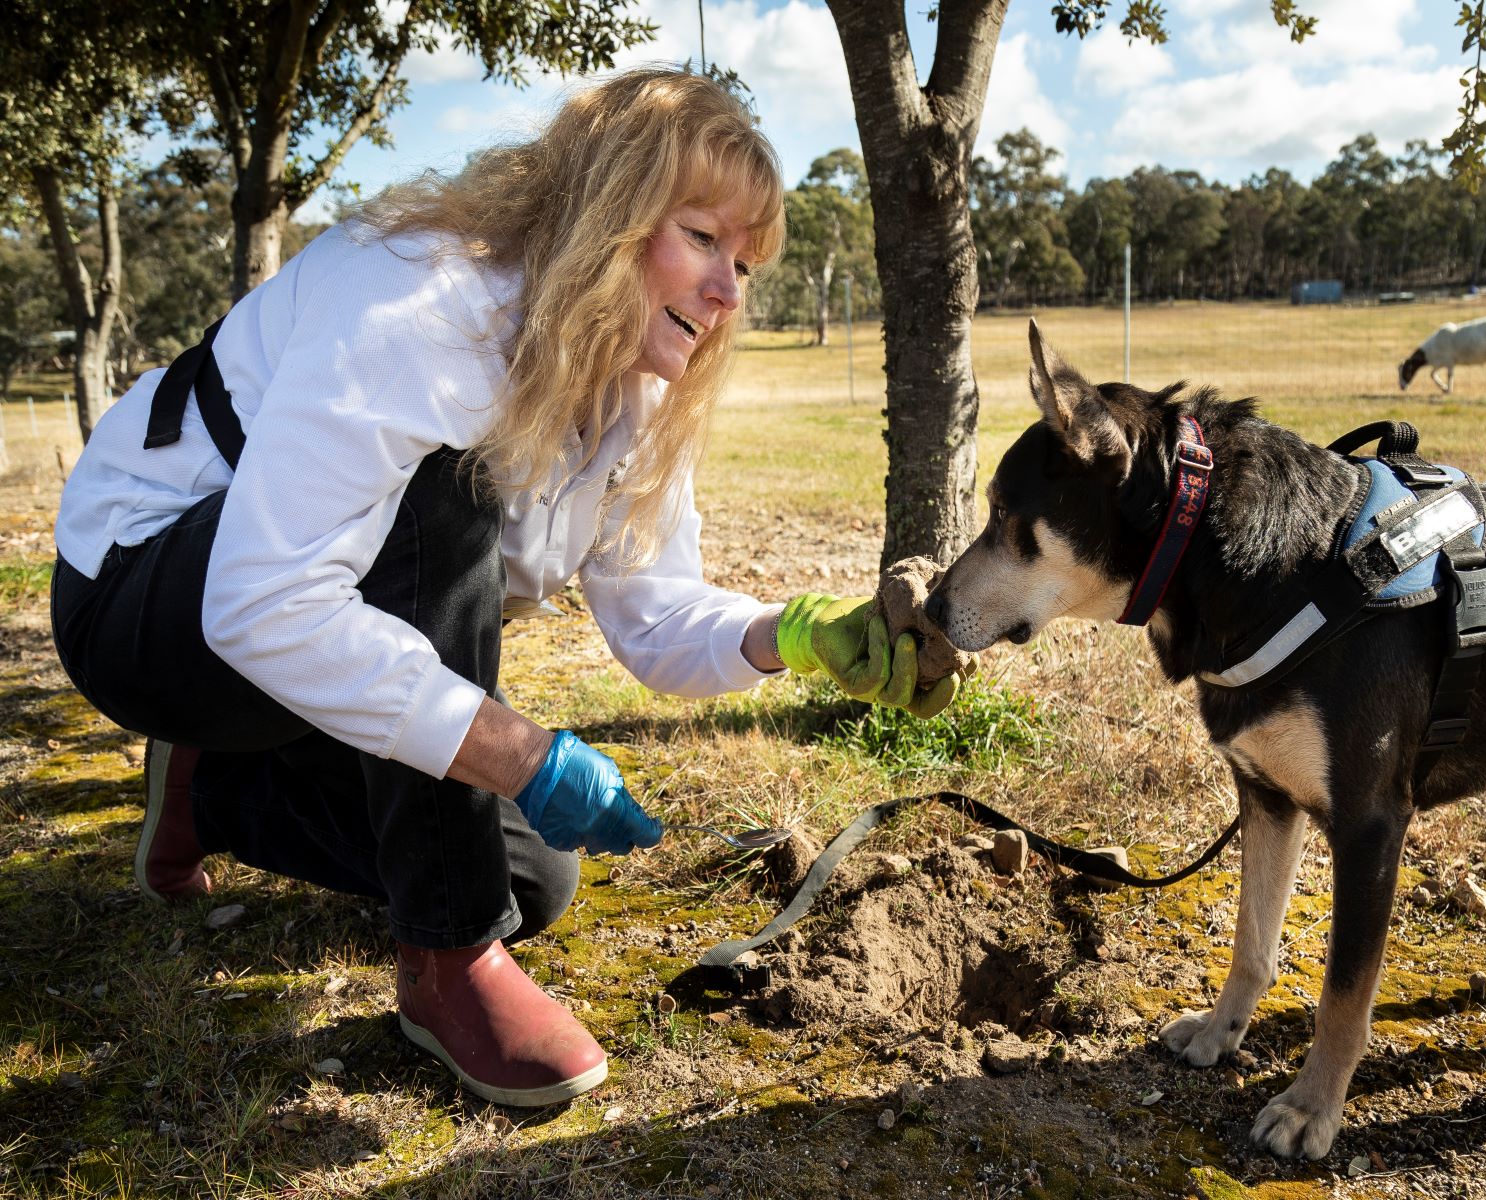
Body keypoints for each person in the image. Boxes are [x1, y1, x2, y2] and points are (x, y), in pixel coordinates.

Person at [50, 67, 959, 1108]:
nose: (728, 290)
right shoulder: (427, 299)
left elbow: (652, 612)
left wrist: (794, 634)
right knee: (447, 498)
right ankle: (445, 967)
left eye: (745, 263)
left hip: (294, 628)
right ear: (608, 210)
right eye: (703, 238)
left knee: (535, 879)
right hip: (142, 600)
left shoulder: (636, 374)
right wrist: (520, 752)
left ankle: (212, 789)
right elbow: (261, 600)